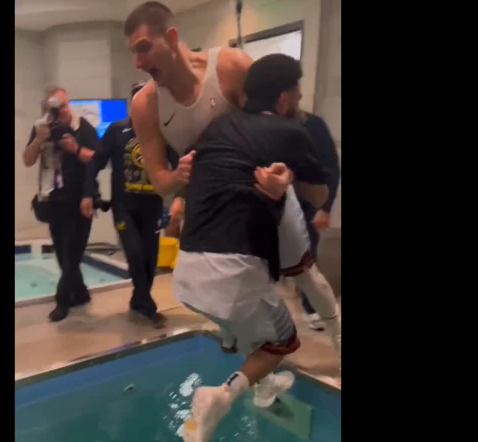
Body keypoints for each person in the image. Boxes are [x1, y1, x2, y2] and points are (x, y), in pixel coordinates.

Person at [124, 1, 341, 356]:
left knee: (306, 276)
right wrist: (177, 176)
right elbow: (160, 181)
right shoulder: (145, 105)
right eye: (133, 52)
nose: (138, 62)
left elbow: (281, 130)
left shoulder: (230, 67)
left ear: (172, 37)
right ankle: (258, 365)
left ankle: (338, 341)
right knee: (235, 301)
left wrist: (286, 174)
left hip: (266, 195)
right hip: (212, 209)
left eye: (144, 48)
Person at [176, 54, 330, 442]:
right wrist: (290, 180)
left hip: (187, 271)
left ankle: (265, 384)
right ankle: (222, 396)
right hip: (234, 271)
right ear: (283, 98)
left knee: (250, 329)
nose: (299, 100)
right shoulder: (290, 132)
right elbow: (320, 193)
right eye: (296, 93)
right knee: (281, 342)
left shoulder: (217, 128)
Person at [81, 80, 176, 328]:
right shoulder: (116, 130)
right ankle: (148, 307)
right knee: (134, 254)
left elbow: (178, 164)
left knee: (150, 260)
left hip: (152, 206)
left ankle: (138, 300)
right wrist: (88, 194)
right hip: (124, 207)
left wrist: (181, 197)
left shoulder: (162, 132)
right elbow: (95, 163)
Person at [22, 86, 100, 322]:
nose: (61, 112)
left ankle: (62, 300)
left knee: (72, 253)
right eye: (55, 108)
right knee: (62, 253)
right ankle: (80, 292)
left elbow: (97, 159)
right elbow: (27, 160)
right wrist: (39, 139)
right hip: (54, 201)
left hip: (81, 199)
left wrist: (75, 149)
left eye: (64, 106)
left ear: (69, 104)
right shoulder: (40, 127)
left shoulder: (82, 126)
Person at [294, 110, 341, 330]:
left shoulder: (312, 125)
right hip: (266, 200)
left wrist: (325, 208)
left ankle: (311, 306)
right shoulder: (259, 121)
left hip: (307, 203)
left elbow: (330, 167)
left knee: (306, 256)